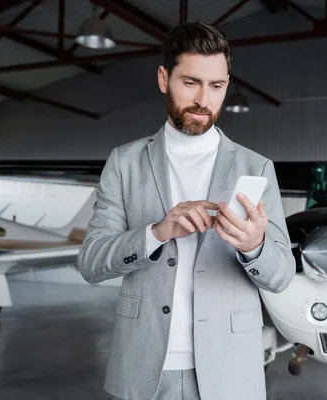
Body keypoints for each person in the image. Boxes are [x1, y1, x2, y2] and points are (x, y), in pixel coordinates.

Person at [77, 21, 296, 400]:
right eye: (190, 82)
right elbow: (91, 262)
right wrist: (156, 233)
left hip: (228, 369)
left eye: (217, 86)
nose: (204, 100)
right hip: (144, 365)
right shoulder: (124, 162)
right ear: (164, 78)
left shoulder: (256, 167)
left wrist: (254, 245)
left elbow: (281, 276)